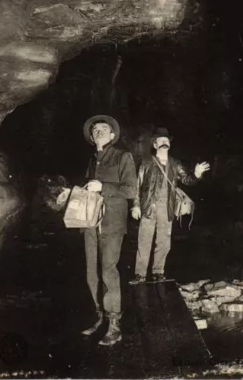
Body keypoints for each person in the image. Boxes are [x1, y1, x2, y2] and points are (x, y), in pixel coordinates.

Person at [80, 115, 137, 346]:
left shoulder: (123, 157)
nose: (99, 131)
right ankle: (99, 316)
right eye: (95, 129)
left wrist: (103, 187)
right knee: (91, 270)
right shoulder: (93, 160)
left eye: (104, 128)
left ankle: (114, 323)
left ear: (113, 135)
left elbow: (130, 189)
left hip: (112, 222)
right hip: (90, 222)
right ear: (92, 137)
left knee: (108, 270)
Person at [129, 127, 210, 285]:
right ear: (155, 144)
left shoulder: (175, 163)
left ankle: (158, 272)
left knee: (164, 241)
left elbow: (187, 180)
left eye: (166, 140)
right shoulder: (146, 163)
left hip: (167, 207)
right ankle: (140, 274)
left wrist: (197, 174)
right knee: (144, 240)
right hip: (148, 207)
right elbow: (137, 186)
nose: (164, 143)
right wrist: (136, 205)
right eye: (161, 140)